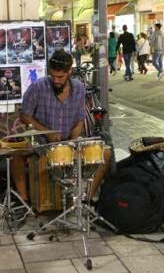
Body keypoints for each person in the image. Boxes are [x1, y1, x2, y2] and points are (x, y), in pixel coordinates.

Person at [14, 49, 111, 200]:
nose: (56, 80)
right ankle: (24, 201)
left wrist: (72, 141)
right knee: (15, 156)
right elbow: (24, 116)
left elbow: (79, 119)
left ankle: (86, 200)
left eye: (60, 76)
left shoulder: (79, 88)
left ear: (69, 72)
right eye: (53, 76)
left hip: (68, 143)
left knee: (105, 152)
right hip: (42, 144)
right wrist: (47, 132)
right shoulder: (38, 87)